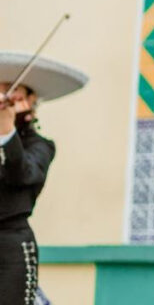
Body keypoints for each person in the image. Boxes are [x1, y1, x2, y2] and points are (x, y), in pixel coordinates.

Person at [0, 52, 88, 304]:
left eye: (15, 94)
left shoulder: (41, 146)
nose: (7, 98)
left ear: (31, 101)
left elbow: (21, 174)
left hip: (11, 252)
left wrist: (7, 132)